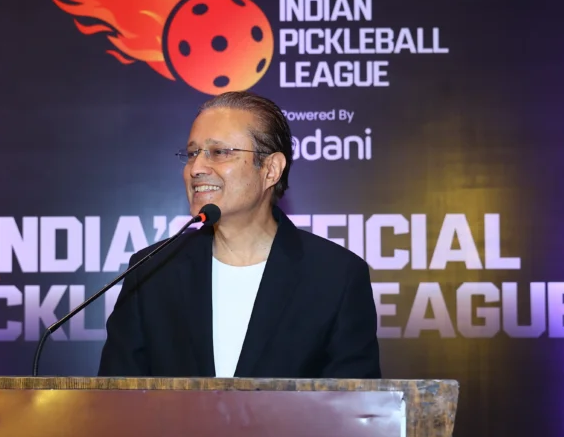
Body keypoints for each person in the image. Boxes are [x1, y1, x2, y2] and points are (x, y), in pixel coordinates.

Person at [98, 91, 381, 379]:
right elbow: (113, 399)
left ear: (271, 170)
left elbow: (355, 403)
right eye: (193, 153)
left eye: (219, 152)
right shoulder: (151, 272)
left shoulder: (336, 277)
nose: (196, 168)